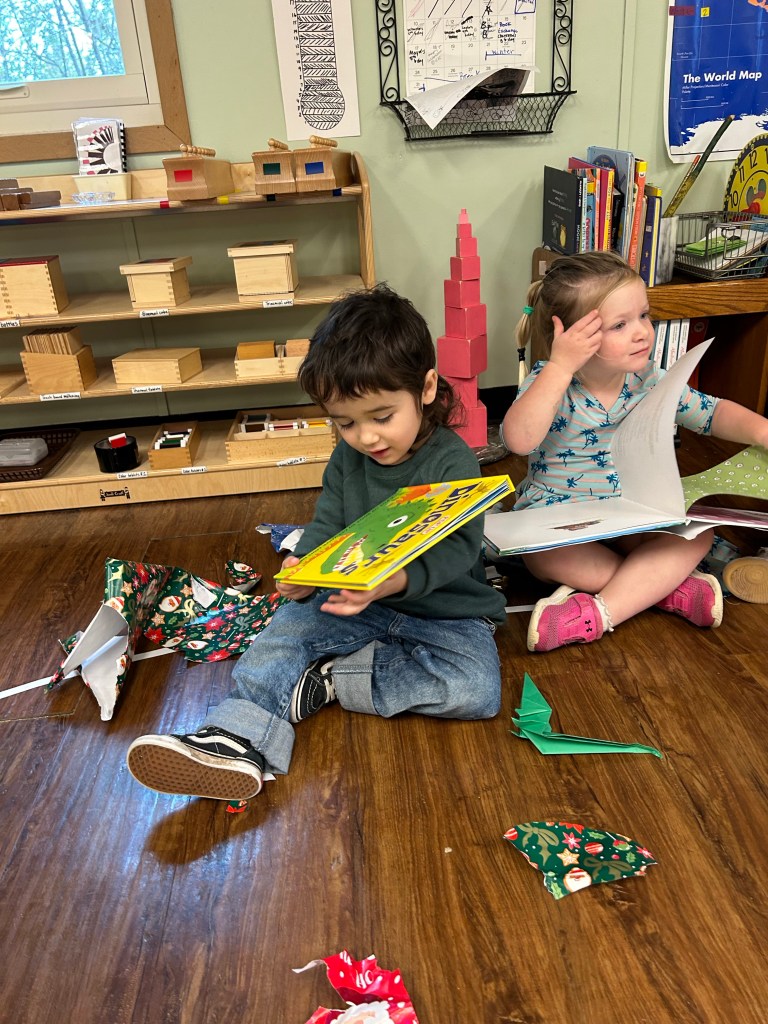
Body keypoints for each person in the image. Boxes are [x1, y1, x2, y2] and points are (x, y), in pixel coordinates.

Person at [127, 284, 506, 802]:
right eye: (345, 423)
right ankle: (234, 737)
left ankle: (333, 680)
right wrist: (303, 566)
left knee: (475, 691)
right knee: (283, 634)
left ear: (425, 387)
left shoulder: (452, 460)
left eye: (382, 417)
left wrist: (393, 581)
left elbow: (460, 549)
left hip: (448, 612)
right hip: (356, 604)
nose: (366, 437)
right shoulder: (350, 457)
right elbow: (329, 521)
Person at [500, 251, 768, 654]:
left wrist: (761, 429)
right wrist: (559, 367)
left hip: (634, 513)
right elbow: (519, 440)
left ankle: (602, 608)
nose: (642, 332)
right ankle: (657, 591)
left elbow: (711, 414)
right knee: (544, 558)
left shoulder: (648, 378)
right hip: (562, 520)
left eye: (644, 315)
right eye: (620, 325)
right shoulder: (550, 382)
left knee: (697, 537)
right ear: (572, 337)